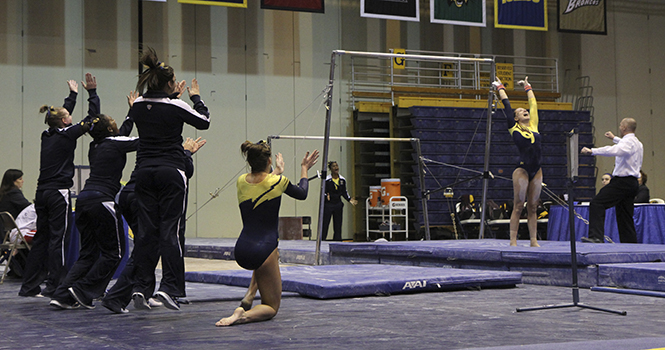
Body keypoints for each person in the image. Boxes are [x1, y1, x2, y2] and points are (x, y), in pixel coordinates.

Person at [129, 47, 210, 311]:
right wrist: (195, 98)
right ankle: (170, 288)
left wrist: (172, 96)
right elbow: (204, 122)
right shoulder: (177, 106)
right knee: (170, 231)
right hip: (170, 171)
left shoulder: (138, 105)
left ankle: (141, 287)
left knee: (146, 233)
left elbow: (154, 107)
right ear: (169, 83)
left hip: (143, 172)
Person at [216, 141, 319, 327]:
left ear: (250, 163)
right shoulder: (278, 181)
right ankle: (241, 315)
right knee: (271, 307)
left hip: (241, 249)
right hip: (264, 250)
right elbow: (302, 193)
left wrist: (276, 172)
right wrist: (304, 168)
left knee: (272, 256)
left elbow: (263, 185)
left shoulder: (241, 181)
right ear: (269, 160)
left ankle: (249, 294)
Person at [48, 107, 141, 309]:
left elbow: (119, 137)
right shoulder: (114, 143)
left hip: (83, 201)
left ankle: (62, 295)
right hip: (102, 201)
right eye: (113, 121)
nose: (117, 123)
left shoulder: (95, 146)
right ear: (109, 129)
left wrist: (131, 112)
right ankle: (83, 290)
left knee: (88, 254)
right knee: (114, 253)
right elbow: (145, 142)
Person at [102, 135, 206, 314]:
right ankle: (122, 294)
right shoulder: (169, 146)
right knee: (152, 245)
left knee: (146, 245)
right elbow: (186, 171)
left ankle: (139, 290)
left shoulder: (147, 144)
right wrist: (186, 153)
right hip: (141, 195)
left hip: (130, 192)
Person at [19, 74, 97, 298]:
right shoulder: (68, 134)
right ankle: (55, 285)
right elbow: (92, 119)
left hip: (41, 192)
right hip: (57, 193)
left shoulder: (47, 134)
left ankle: (29, 286)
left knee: (42, 238)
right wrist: (91, 93)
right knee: (58, 240)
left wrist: (72, 96)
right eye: (69, 115)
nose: (70, 116)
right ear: (65, 121)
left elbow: (58, 117)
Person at [493, 76, 542, 247]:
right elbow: (507, 106)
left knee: (533, 207)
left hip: (537, 170)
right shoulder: (513, 128)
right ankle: (513, 240)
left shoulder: (534, 126)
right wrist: (500, 87)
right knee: (518, 205)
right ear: (515, 118)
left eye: (524, 110)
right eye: (520, 111)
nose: (524, 111)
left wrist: (528, 87)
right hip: (521, 170)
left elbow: (533, 105)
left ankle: (533, 240)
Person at [581, 118, 643, 243]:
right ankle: (630, 243)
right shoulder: (637, 143)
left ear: (624, 127)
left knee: (597, 203)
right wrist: (614, 138)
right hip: (632, 183)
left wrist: (592, 151)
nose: (619, 127)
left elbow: (615, 150)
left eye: (620, 125)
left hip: (622, 182)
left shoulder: (627, 143)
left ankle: (596, 237)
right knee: (625, 215)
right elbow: (623, 145)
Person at [322, 161, 358, 241]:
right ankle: (322, 240)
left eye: (337, 166)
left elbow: (344, 192)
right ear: (330, 169)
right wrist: (325, 196)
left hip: (338, 204)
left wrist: (349, 199)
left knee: (338, 224)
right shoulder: (327, 180)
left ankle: (337, 240)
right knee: (325, 223)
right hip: (328, 204)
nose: (336, 167)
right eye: (334, 166)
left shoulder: (342, 179)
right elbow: (323, 191)